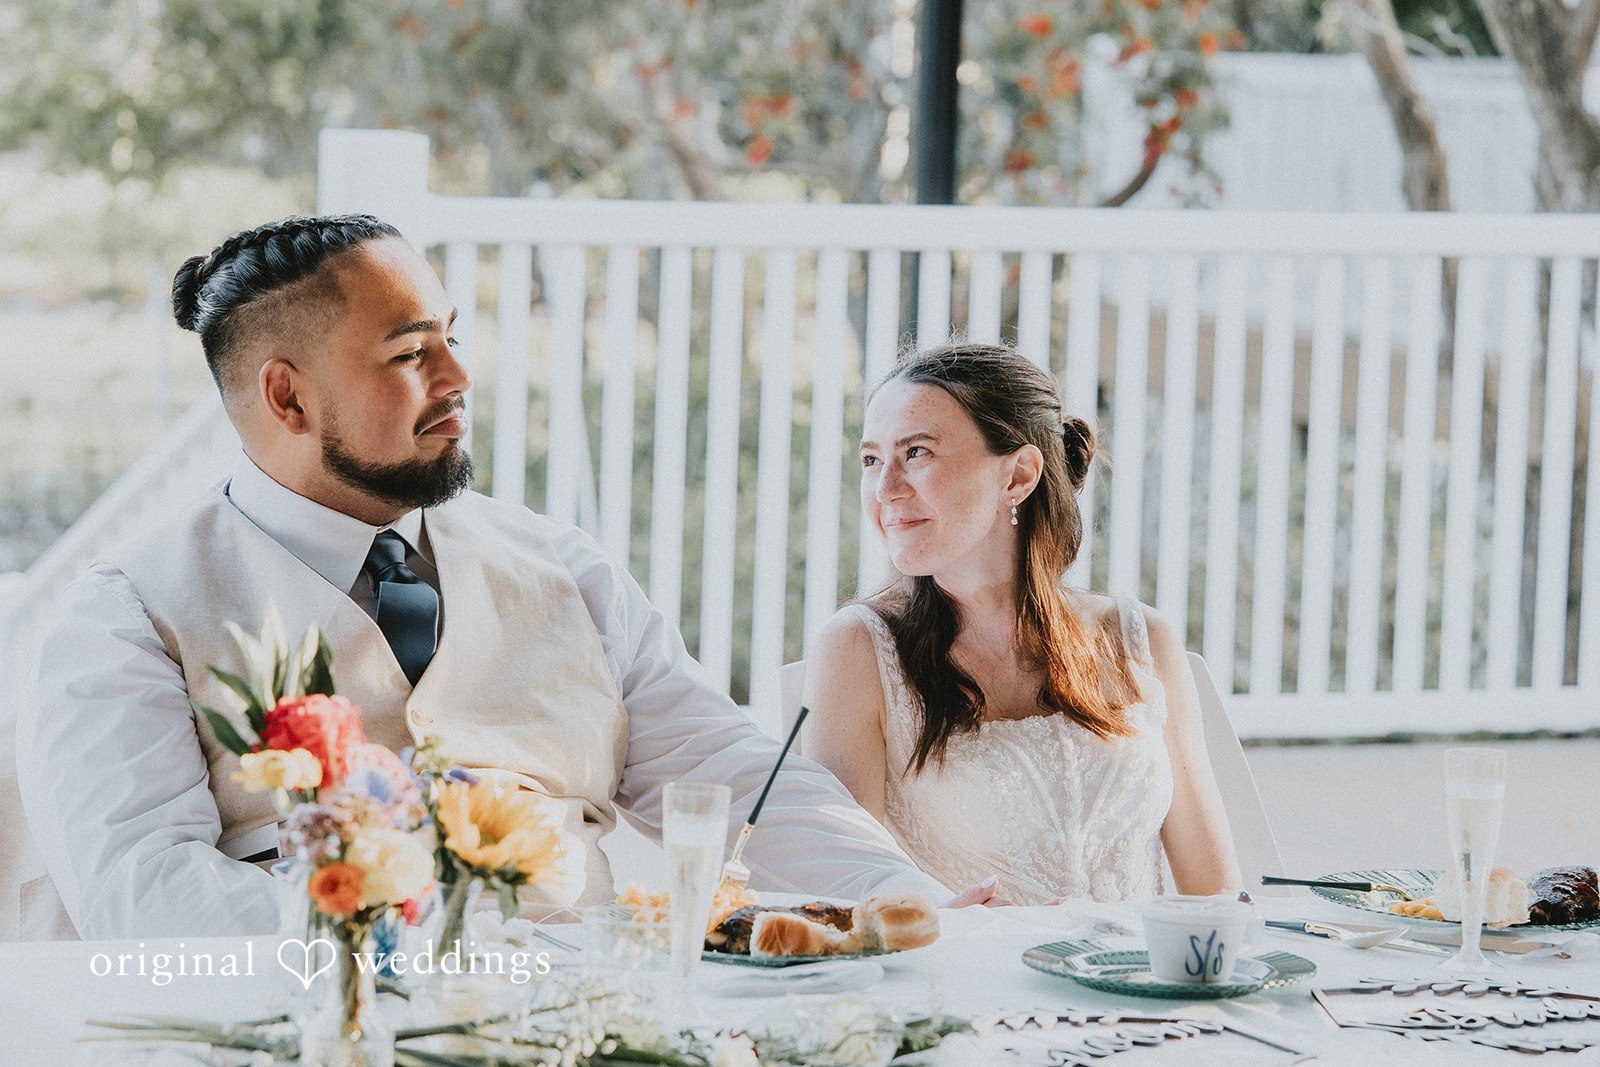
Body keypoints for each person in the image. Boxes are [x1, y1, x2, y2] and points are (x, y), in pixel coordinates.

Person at [16, 214, 988, 940]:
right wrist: (415, 957)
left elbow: (731, 772)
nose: (458, 377)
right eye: (409, 352)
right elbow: (143, 893)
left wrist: (905, 894)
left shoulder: (562, 565)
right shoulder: (128, 614)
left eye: (450, 336)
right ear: (286, 394)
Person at [802, 342, 1242, 905]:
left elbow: (1219, 896)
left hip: (1139, 988)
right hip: (962, 984)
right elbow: (838, 895)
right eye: (870, 459)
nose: (885, 487)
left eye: (916, 453)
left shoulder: (1142, 639)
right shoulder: (857, 649)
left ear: (1018, 476)